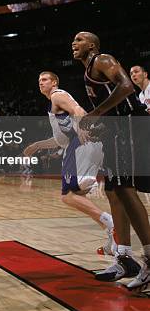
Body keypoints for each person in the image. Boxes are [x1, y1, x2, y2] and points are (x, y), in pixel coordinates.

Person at [73, 32, 150, 290]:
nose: (74, 43)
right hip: (116, 130)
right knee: (114, 192)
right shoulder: (88, 72)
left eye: (79, 40)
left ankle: (149, 258)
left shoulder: (102, 60)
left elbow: (126, 86)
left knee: (125, 190)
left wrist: (96, 113)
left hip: (128, 128)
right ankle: (125, 258)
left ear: (92, 45)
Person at [23, 71, 115, 254]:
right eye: (39, 80)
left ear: (54, 82)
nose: (41, 83)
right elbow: (60, 140)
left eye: (44, 79)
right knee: (73, 196)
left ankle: (112, 225)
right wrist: (37, 145)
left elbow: (78, 109)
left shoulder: (58, 95)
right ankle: (113, 235)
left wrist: (82, 126)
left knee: (70, 195)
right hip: (76, 146)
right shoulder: (53, 103)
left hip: (80, 145)